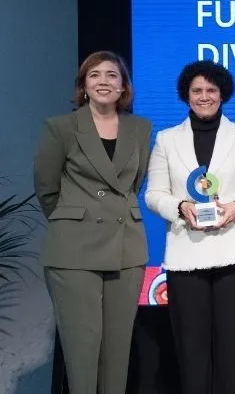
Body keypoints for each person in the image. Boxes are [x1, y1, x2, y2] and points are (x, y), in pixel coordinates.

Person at [144, 60, 235, 394]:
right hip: (187, 256)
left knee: (232, 349)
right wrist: (180, 208)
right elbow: (153, 195)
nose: (204, 96)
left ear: (222, 94)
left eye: (211, 90)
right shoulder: (166, 139)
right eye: (196, 90)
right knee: (192, 351)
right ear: (186, 95)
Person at [33, 51, 152, 394]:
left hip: (126, 247)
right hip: (74, 251)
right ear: (83, 85)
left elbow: (134, 183)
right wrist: (78, 219)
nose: (104, 81)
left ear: (123, 86)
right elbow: (47, 190)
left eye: (112, 75)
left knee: (118, 349)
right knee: (82, 348)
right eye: (95, 75)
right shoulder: (61, 127)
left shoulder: (140, 128)